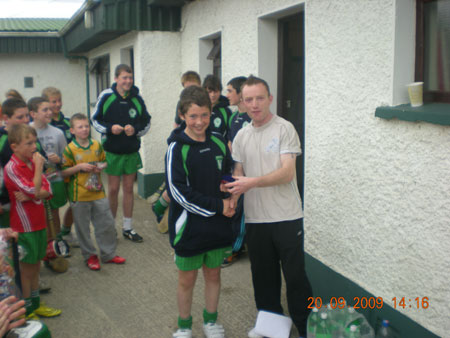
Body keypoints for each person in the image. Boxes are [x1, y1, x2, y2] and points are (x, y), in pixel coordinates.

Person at [225, 76, 312, 338]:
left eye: (259, 98)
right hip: (256, 220)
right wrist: (231, 201)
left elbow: (287, 174)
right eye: (248, 99)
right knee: (263, 279)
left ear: (270, 99)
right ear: (242, 102)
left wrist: (252, 182)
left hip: (287, 217)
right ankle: (272, 328)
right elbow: (238, 176)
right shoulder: (241, 136)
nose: (254, 104)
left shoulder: (284, 128)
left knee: (296, 278)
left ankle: (307, 327)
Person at [165, 86, 234, 338]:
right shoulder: (176, 148)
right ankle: (184, 326)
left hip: (217, 227)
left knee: (214, 274)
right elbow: (177, 192)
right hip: (188, 228)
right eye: (193, 116)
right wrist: (218, 206)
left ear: (211, 113)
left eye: (204, 115)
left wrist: (229, 191)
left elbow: (226, 171)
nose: (199, 122)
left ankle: (211, 322)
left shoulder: (217, 140)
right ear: (182, 115)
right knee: (187, 280)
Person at [3, 124, 62, 319]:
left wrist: (33, 193)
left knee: (36, 266)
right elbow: (35, 190)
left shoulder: (31, 163)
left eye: (34, 142)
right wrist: (37, 176)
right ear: (14, 147)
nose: (34, 147)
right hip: (24, 227)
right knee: (26, 270)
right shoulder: (12, 167)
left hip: (40, 223)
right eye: (28, 143)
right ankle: (27, 310)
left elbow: (47, 190)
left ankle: (36, 304)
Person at [91, 64, 151, 243]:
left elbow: (146, 122)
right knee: (114, 189)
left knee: (128, 190)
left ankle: (128, 227)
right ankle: (110, 228)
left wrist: (136, 130)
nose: (127, 81)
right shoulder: (106, 96)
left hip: (131, 151)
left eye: (130, 78)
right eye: (124, 77)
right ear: (116, 78)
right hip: (112, 151)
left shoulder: (137, 98)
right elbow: (95, 119)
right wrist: (110, 129)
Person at [61, 114, 125, 270]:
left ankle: (108, 254)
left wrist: (100, 167)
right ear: (72, 131)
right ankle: (89, 256)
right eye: (80, 127)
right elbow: (63, 172)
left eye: (86, 126)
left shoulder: (96, 145)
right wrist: (79, 167)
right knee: (83, 228)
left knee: (106, 223)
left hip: (98, 192)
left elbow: (104, 161)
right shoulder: (70, 149)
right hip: (79, 195)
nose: (84, 129)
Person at [152, 71, 202, 230]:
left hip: (196, 148)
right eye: (186, 88)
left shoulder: (203, 103)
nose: (189, 92)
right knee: (174, 185)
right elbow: (176, 125)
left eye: (193, 87)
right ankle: (159, 210)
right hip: (183, 146)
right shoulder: (182, 103)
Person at [41, 87, 77, 247]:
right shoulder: (43, 125)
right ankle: (55, 239)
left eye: (59, 100)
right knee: (53, 207)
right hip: (52, 173)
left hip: (71, 170)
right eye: (53, 101)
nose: (57, 104)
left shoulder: (68, 122)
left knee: (77, 203)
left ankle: (66, 230)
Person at [221, 76, 251, 268]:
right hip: (234, 170)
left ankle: (236, 249)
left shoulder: (251, 117)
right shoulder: (233, 117)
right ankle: (231, 243)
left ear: (240, 94)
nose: (227, 95)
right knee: (232, 207)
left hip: (250, 174)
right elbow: (231, 143)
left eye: (230, 90)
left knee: (241, 211)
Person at [29, 97, 67, 242]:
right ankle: (44, 242)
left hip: (54, 178)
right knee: (40, 212)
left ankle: (57, 241)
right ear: (33, 114)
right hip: (35, 180)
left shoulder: (58, 133)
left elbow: (66, 159)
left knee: (54, 211)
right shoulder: (27, 131)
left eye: (50, 109)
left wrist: (59, 160)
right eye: (45, 110)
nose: (49, 112)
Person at [202, 75, 231, 141]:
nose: (213, 95)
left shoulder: (226, 112)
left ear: (220, 91)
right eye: (209, 92)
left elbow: (229, 134)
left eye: (215, 91)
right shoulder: (199, 109)